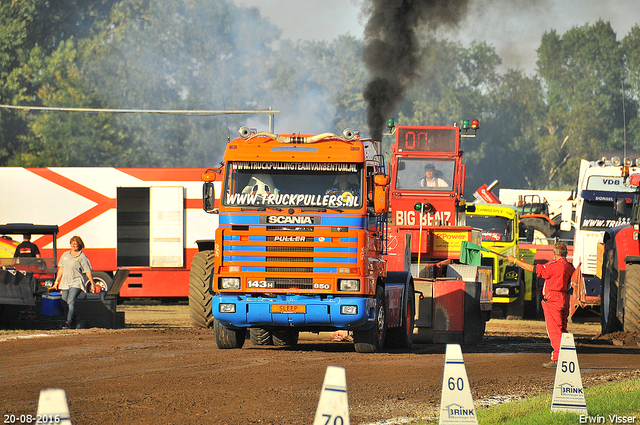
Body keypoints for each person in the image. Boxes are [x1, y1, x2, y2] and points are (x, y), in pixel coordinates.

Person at [507, 242, 575, 368]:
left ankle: (557, 358)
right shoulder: (569, 266)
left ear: (554, 253)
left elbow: (532, 269)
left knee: (554, 330)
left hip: (552, 300)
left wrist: (515, 261)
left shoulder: (553, 267)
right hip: (564, 299)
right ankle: (566, 355)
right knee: (562, 329)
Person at [53, 236, 95, 329]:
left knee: (71, 302)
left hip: (76, 282)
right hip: (65, 282)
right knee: (64, 302)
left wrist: (92, 283)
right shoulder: (65, 255)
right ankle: (76, 319)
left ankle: (68, 322)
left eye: (76, 244)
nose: (74, 245)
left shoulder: (82, 257)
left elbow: (87, 271)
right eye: (72, 243)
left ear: (79, 245)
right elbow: (61, 268)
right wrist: (56, 282)